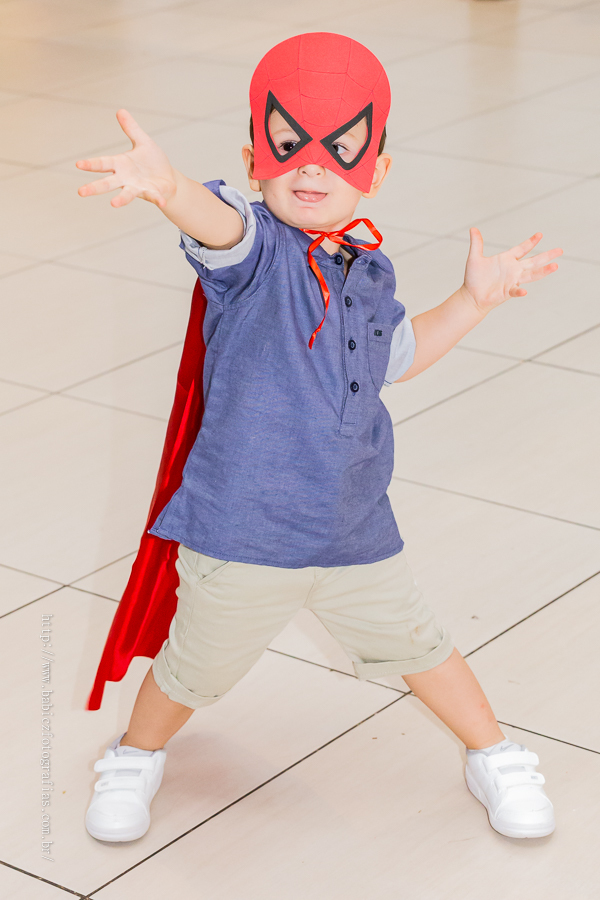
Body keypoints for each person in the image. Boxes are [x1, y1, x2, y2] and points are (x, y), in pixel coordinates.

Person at [77, 33, 561, 844]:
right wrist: (170, 190)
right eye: (287, 146)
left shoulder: (368, 270)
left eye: (340, 150)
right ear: (254, 163)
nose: (311, 168)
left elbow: (396, 356)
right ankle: (134, 754)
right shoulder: (254, 255)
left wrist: (473, 302)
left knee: (424, 646)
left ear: (378, 171)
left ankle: (494, 754)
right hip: (244, 536)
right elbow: (219, 225)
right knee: (192, 669)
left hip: (353, 533)